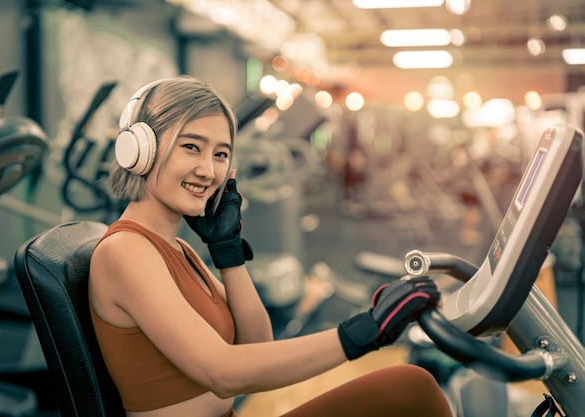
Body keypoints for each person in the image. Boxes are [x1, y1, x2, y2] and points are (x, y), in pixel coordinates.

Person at [88, 75, 453, 417]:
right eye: (191, 147)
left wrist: (227, 253)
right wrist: (364, 331)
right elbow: (222, 372)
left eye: (220, 154)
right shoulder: (126, 250)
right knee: (409, 389)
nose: (208, 170)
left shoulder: (180, 251)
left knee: (410, 387)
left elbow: (257, 345)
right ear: (140, 149)